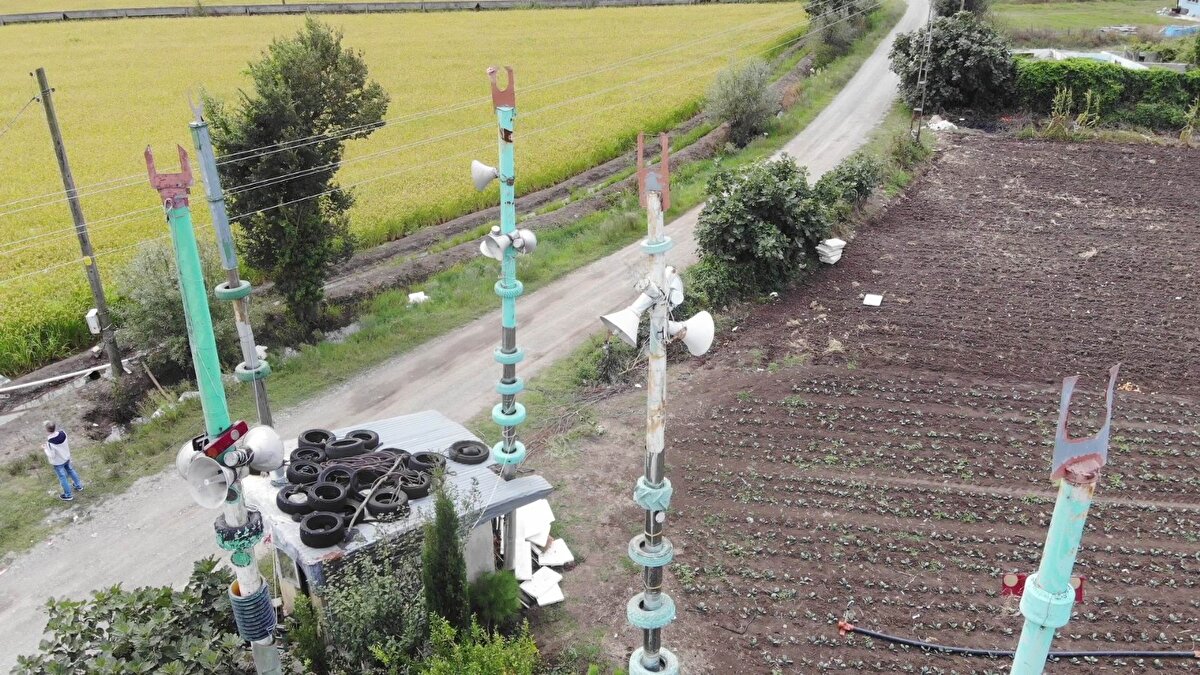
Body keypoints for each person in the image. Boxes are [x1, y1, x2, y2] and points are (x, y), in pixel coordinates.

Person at [43, 421, 83, 502]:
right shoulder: (63, 433)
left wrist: (45, 448)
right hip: (66, 457)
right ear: (55, 427)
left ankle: (68, 495)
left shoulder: (50, 443)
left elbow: (52, 455)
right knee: (71, 470)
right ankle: (79, 486)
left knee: (62, 477)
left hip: (58, 462)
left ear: (46, 430)